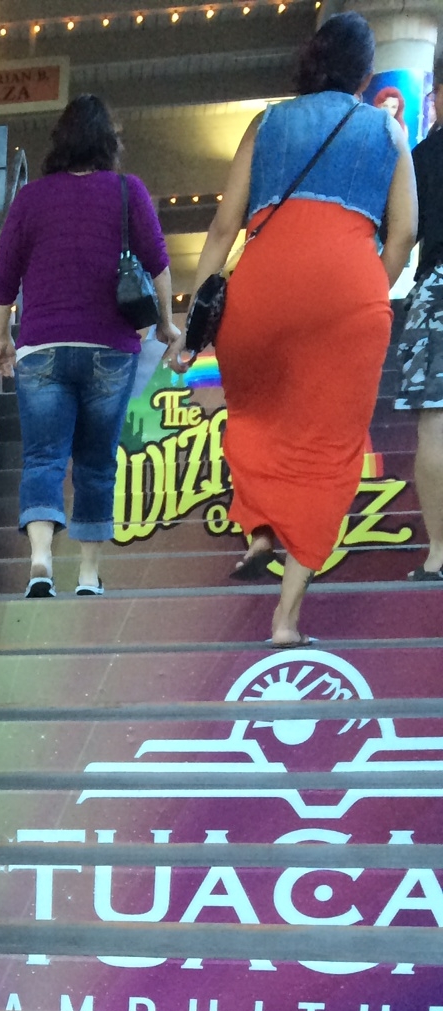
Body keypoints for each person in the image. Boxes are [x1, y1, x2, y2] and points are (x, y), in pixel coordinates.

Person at [175, 14, 415, 645]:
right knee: (329, 448)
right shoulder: (388, 129)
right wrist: (366, 291)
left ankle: (258, 531)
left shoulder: (267, 122)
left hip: (264, 286)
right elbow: (405, 232)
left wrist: (193, 317)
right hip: (349, 286)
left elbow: (224, 227)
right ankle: (286, 619)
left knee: (255, 416)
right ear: (367, 73)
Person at [0, 95, 175, 597]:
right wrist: (168, 325)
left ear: (60, 141)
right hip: (110, 347)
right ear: (108, 143)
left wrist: (0, 338)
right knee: (96, 460)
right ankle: (89, 575)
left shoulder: (30, 199)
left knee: (43, 456)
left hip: (42, 347)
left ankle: (41, 559)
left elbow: (3, 279)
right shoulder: (126, 191)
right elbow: (157, 263)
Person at [395, 108, 443, 577]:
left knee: (435, 420)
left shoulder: (422, 157)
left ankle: (440, 554)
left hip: (439, 286)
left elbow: (405, 232)